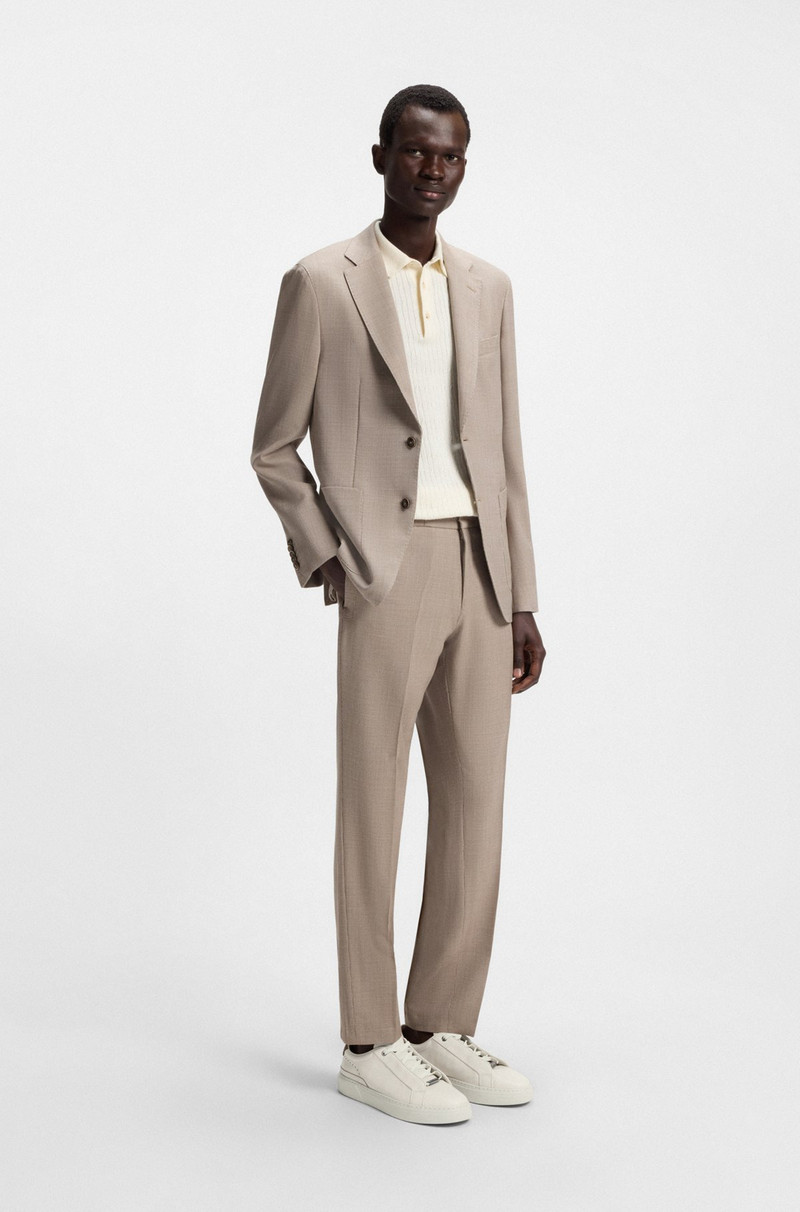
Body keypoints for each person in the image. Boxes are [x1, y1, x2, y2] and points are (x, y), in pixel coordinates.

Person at [250, 84, 546, 1125]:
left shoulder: (489, 287)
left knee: (475, 808)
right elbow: (273, 447)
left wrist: (522, 594)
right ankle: (369, 1042)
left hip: (480, 567)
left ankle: (438, 1024)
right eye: (418, 152)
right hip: (385, 566)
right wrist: (332, 554)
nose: (434, 171)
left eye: (452, 156)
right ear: (380, 155)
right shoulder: (320, 281)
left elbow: (505, 451)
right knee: (372, 806)